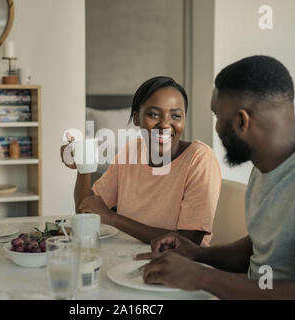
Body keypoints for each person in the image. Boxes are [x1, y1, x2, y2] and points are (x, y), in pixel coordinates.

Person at [135, 56, 295, 299]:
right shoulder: (267, 166)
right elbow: (260, 248)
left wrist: (201, 276)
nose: (216, 127)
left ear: (241, 121)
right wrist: (196, 254)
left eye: (217, 115)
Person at [60, 76, 221, 245]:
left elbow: (188, 241)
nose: (165, 124)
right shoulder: (131, 151)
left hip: (177, 265)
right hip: (126, 257)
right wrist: (82, 165)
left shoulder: (199, 158)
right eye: (153, 114)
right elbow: (86, 213)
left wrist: (112, 218)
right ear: (136, 118)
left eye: (176, 116)